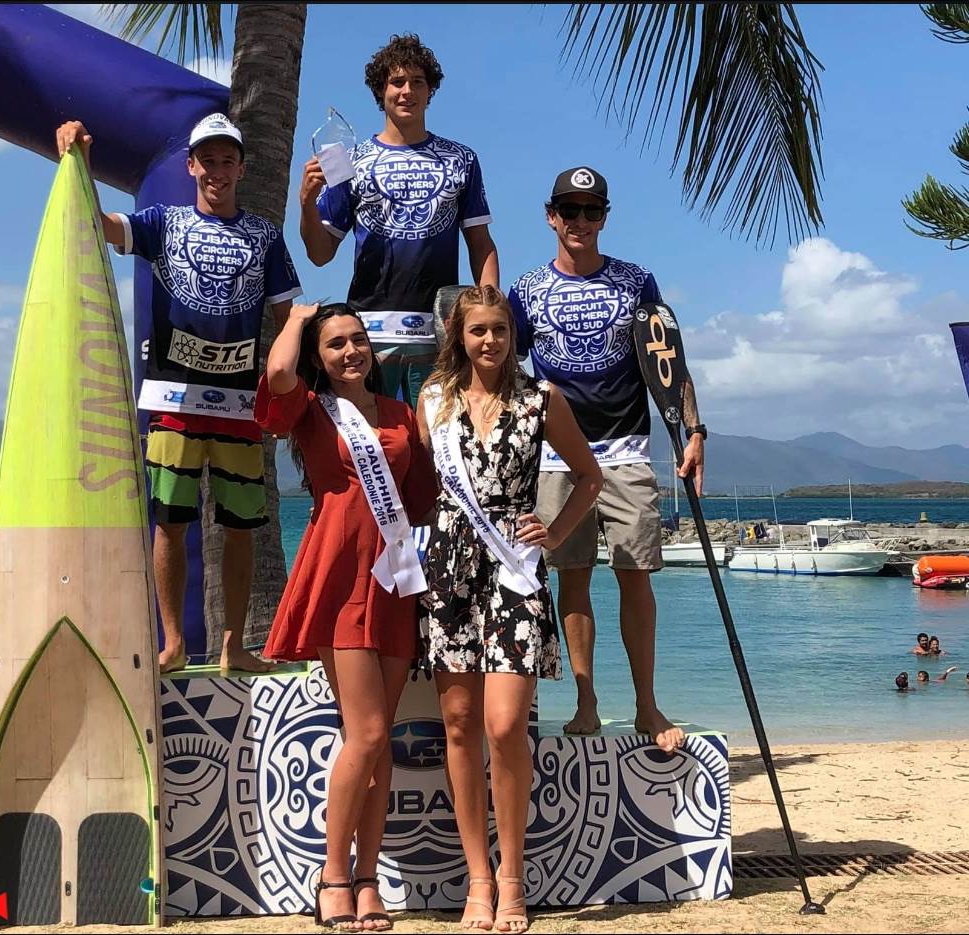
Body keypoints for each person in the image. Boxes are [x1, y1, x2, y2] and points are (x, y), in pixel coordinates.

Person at [56, 114, 302, 674]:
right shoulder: (163, 222)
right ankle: (172, 643)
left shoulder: (265, 236)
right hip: (171, 402)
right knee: (170, 523)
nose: (217, 171)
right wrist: (80, 161)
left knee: (242, 529)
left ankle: (234, 645)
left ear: (242, 169)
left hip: (240, 406)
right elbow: (100, 225)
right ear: (191, 166)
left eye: (227, 161)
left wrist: (287, 390)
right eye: (207, 160)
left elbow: (287, 316)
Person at [417, 285, 602, 933]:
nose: (489, 340)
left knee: (503, 726)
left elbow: (589, 476)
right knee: (459, 723)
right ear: (459, 336)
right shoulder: (434, 400)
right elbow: (419, 487)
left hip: (514, 571)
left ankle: (513, 877)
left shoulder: (540, 398)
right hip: (449, 571)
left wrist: (553, 532)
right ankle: (477, 878)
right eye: (478, 330)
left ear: (512, 335)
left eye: (499, 329)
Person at [508, 166, 705, 754]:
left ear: (605, 218)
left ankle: (647, 703)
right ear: (551, 217)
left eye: (591, 211)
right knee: (571, 576)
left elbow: (668, 362)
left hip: (626, 452)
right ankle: (586, 700)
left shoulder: (636, 282)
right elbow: (507, 369)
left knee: (634, 574)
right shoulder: (527, 290)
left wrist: (694, 432)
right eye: (569, 210)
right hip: (555, 457)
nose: (580, 221)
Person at [257, 302, 438, 931]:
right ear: (320, 356)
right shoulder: (310, 409)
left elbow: (423, 500)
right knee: (366, 733)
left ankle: (367, 879)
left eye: (357, 340)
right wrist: (296, 320)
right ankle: (332, 876)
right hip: (339, 577)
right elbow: (278, 374)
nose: (350, 351)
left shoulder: (400, 414)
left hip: (394, 580)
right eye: (335, 344)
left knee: (379, 739)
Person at [299, 33, 499, 406]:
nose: (407, 91)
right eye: (397, 81)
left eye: (418, 82)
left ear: (430, 90)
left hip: (439, 333)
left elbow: (481, 243)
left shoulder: (462, 158)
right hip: (368, 336)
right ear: (381, 90)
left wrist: (489, 308)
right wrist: (307, 203)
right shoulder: (345, 159)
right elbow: (320, 254)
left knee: (434, 440)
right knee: (373, 437)